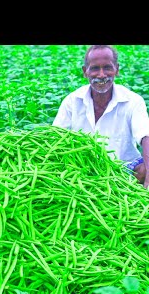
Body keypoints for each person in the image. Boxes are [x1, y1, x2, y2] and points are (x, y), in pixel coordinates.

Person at [52, 45, 149, 188]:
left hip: (123, 171)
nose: (101, 75)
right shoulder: (72, 101)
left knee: (143, 169)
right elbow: (54, 138)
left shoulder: (133, 101)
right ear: (85, 72)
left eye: (107, 68)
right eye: (95, 68)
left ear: (117, 69)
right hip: (82, 171)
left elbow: (146, 137)